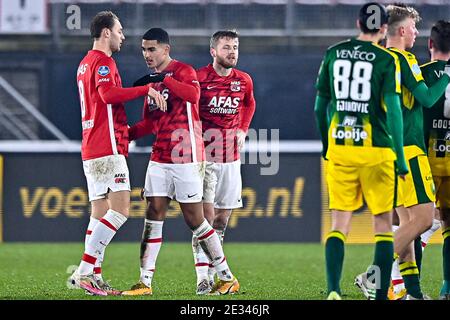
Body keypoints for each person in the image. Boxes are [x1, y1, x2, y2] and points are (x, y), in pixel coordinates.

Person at [123, 28, 239, 296]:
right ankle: (144, 282)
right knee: (153, 214)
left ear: (166, 49)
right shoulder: (151, 83)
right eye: (143, 50)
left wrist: (165, 79)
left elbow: (193, 96)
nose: (147, 55)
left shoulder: (184, 71)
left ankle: (226, 276)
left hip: (187, 156)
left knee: (196, 220)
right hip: (160, 157)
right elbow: (150, 122)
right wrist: (124, 136)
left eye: (152, 49)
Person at [354, 4, 450, 300]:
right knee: (422, 221)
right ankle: (372, 275)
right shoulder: (405, 59)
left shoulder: (374, 60)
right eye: (413, 27)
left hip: (378, 151)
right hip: (407, 149)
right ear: (403, 30)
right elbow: (426, 96)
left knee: (406, 224)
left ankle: (413, 293)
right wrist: (445, 75)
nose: (416, 33)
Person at [68, 11, 166, 296]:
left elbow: (103, 108)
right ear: (107, 32)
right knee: (121, 210)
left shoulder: (84, 64)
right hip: (106, 147)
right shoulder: (102, 62)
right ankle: (84, 271)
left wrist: (135, 129)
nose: (124, 37)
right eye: (120, 31)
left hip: (92, 146)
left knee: (98, 214)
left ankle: (94, 276)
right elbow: (108, 96)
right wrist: (146, 90)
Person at [315, 2, 408, 300]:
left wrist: (326, 144)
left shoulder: (333, 52)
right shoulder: (386, 59)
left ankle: (333, 289)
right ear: (383, 28)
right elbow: (393, 111)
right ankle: (380, 293)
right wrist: (401, 157)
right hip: (377, 151)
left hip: (341, 148)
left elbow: (320, 107)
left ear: (358, 23)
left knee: (338, 223)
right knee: (382, 225)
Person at [192, 30, 256, 294]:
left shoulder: (244, 81)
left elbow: (250, 105)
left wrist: (242, 129)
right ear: (213, 51)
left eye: (236, 47)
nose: (233, 52)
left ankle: (213, 274)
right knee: (204, 219)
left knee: (221, 221)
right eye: (227, 47)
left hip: (231, 160)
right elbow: (188, 112)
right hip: (205, 160)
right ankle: (202, 278)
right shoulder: (199, 78)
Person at [421, 20, 450, 300]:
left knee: (415, 222)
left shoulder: (421, 75)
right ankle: (447, 289)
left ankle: (397, 282)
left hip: (425, 159)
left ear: (430, 44)